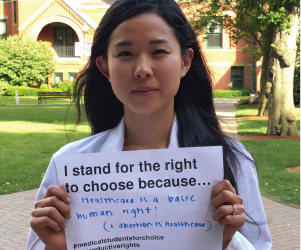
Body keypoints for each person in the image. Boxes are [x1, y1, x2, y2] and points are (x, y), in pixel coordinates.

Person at [27, 0, 272, 249]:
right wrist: (57, 247)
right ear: (104, 67)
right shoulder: (68, 165)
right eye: (125, 53)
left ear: (185, 62)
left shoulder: (231, 159)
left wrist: (225, 240)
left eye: (158, 52)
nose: (142, 69)